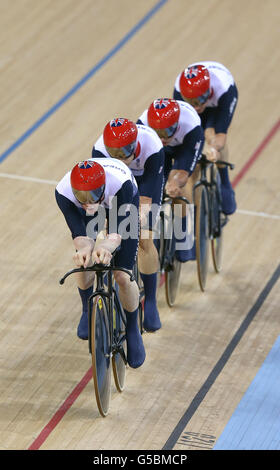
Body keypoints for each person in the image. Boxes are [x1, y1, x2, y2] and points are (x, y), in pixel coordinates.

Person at [55, 158, 145, 369]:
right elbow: (78, 233)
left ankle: (133, 329)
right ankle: (87, 309)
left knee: (122, 275)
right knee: (83, 259)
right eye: (82, 197)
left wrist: (105, 247)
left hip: (120, 207)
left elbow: (117, 232)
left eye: (93, 195)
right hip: (92, 212)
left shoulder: (121, 185)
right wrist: (86, 249)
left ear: (103, 187)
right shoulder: (63, 192)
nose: (88, 201)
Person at [92, 118, 165, 332]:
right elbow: (102, 194)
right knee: (107, 230)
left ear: (135, 145)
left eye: (124, 153)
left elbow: (148, 196)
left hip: (145, 184)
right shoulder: (99, 150)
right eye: (114, 154)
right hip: (116, 187)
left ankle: (150, 301)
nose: (120, 158)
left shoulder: (152, 145)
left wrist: (138, 219)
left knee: (143, 236)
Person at [137, 98, 205, 262]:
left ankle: (184, 234)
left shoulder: (191, 126)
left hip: (184, 148)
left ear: (177, 125)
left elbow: (183, 172)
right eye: (157, 133)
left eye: (166, 132)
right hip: (158, 153)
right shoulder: (142, 126)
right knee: (152, 189)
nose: (162, 138)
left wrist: (174, 183)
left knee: (177, 184)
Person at [173, 61, 238, 215]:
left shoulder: (224, 90)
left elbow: (221, 136)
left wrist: (214, 149)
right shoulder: (178, 92)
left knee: (214, 135)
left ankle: (225, 182)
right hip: (198, 100)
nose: (196, 107)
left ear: (208, 92)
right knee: (189, 143)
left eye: (199, 101)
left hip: (217, 105)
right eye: (191, 102)